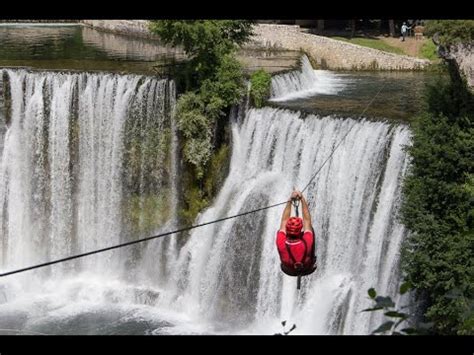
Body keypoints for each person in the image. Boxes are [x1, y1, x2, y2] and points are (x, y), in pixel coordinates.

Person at [276, 190, 316, 278]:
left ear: (287, 229)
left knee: (280, 232)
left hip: (288, 270)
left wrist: (290, 200)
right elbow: (307, 220)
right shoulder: (307, 242)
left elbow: (284, 220)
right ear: (300, 229)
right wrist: (302, 198)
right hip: (307, 268)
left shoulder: (280, 241)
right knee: (310, 230)